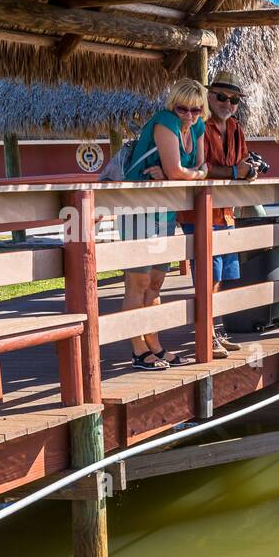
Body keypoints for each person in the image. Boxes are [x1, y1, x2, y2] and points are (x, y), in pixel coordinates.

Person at [121, 78, 209, 371]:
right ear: (173, 105)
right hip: (138, 206)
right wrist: (186, 173)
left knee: (157, 282)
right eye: (182, 108)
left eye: (195, 109)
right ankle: (138, 349)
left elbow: (200, 166)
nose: (189, 115)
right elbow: (177, 169)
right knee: (139, 281)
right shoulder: (165, 121)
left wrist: (188, 174)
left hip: (165, 208)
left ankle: (154, 344)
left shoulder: (197, 127)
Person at [176, 70, 258, 358]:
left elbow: (244, 159)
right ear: (209, 97)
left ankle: (213, 331)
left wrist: (249, 170)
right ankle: (205, 334)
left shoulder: (235, 127)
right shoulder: (198, 126)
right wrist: (237, 172)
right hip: (198, 213)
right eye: (222, 97)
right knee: (206, 276)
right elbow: (200, 167)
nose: (228, 103)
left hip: (225, 213)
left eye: (234, 99)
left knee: (221, 276)